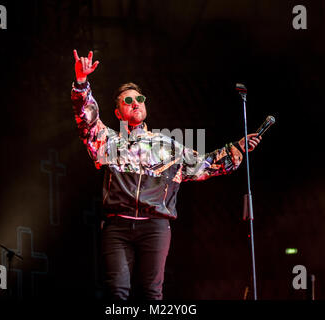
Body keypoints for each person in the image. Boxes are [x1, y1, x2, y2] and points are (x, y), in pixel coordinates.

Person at [71, 49, 262, 300]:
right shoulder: (108, 142)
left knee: (152, 293)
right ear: (118, 113)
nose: (135, 103)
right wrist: (82, 82)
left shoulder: (168, 146)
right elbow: (87, 121)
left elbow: (203, 165)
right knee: (117, 292)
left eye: (139, 98)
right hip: (117, 226)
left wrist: (235, 148)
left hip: (155, 226)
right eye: (127, 101)